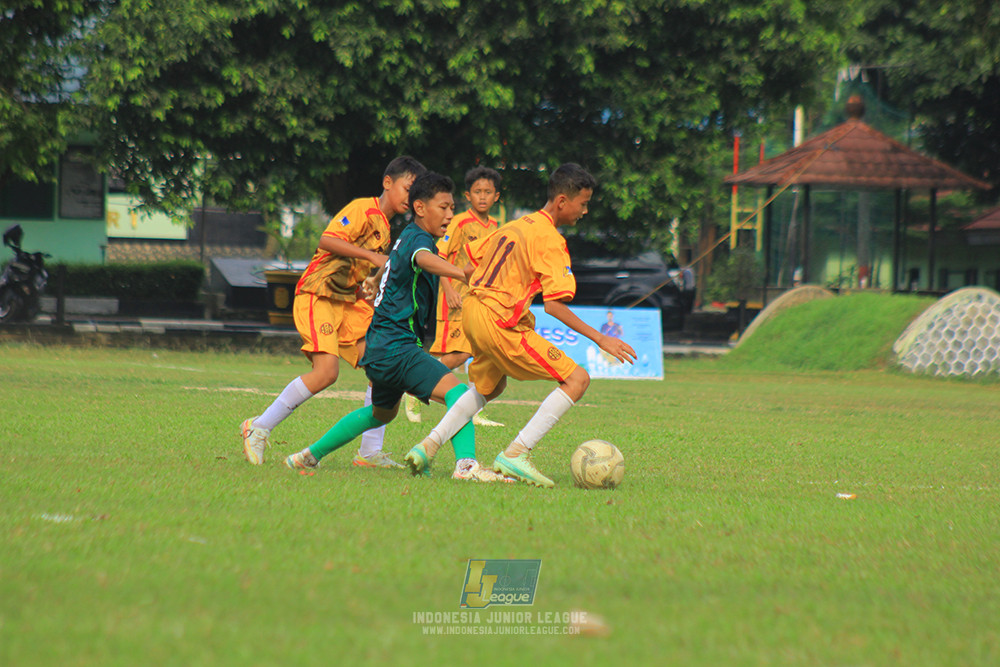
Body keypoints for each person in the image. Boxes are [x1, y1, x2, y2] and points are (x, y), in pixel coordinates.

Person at [404, 163, 636, 487]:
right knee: (577, 379)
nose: (585, 211)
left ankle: (428, 445)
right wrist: (601, 339)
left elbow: (473, 262)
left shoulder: (515, 225)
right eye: (583, 204)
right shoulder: (550, 239)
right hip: (498, 319)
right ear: (561, 202)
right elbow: (554, 305)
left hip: (473, 311)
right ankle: (516, 453)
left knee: (490, 386)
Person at [284, 172, 511, 483]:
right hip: (396, 345)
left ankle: (308, 455)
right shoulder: (419, 241)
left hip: (380, 346)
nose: (448, 214)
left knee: (382, 413)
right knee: (459, 394)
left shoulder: (406, 234)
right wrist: (461, 273)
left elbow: (397, 262)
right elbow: (423, 260)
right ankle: (466, 466)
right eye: (443, 207)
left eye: (451, 207)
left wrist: (375, 281)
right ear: (419, 207)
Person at [240, 156, 426, 467]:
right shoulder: (362, 209)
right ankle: (257, 428)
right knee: (326, 373)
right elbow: (327, 240)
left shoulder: (385, 228)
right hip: (319, 295)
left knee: (384, 366)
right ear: (387, 183)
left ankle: (369, 453)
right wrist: (374, 259)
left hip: (348, 304)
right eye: (408, 188)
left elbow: (360, 270)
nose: (411, 197)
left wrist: (367, 286)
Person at [405, 166, 505, 428]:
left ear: (496, 196)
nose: (482, 196)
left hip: (481, 300)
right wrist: (448, 289)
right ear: (468, 195)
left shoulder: (496, 226)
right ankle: (415, 388)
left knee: (483, 353)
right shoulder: (458, 221)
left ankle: (475, 409)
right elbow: (440, 256)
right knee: (459, 354)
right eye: (477, 192)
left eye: (488, 192)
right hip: (457, 298)